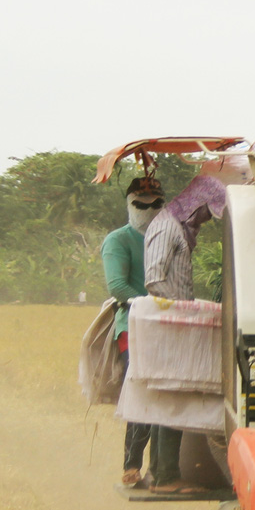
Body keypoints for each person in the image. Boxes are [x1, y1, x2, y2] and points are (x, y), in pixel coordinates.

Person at [141, 174, 227, 489]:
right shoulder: (166, 228)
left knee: (172, 399)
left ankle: (163, 473)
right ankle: (165, 476)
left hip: (175, 325)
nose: (206, 219)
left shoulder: (177, 228)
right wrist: (180, 312)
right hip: (170, 328)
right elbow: (154, 279)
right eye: (207, 212)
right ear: (197, 203)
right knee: (171, 401)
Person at [101, 175, 162, 486]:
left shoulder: (166, 236)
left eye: (155, 199)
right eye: (141, 199)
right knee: (141, 393)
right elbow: (118, 286)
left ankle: (162, 468)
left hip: (166, 325)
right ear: (129, 204)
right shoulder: (118, 240)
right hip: (134, 327)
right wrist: (154, 305)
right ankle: (132, 464)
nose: (149, 204)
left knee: (166, 395)